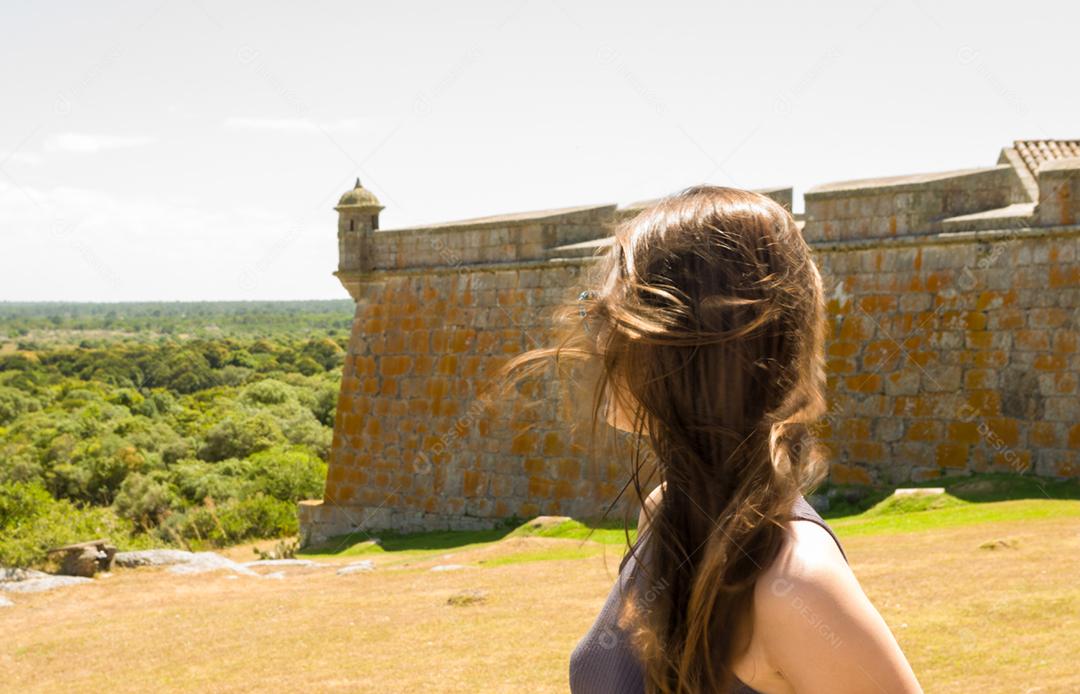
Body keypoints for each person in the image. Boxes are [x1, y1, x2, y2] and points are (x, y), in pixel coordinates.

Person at [494, 186, 923, 693]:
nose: (596, 340)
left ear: (695, 342)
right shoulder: (668, 511)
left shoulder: (795, 583)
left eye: (611, 315)